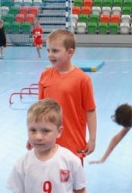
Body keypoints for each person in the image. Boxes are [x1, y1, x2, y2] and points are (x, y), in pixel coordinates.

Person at [38, 29, 96, 161]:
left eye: (55, 51)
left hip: (73, 143)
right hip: (48, 142)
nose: (50, 55)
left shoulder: (82, 79)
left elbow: (90, 111)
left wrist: (92, 139)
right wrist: (36, 135)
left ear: (70, 52)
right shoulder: (44, 76)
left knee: (72, 180)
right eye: (48, 50)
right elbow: (39, 111)